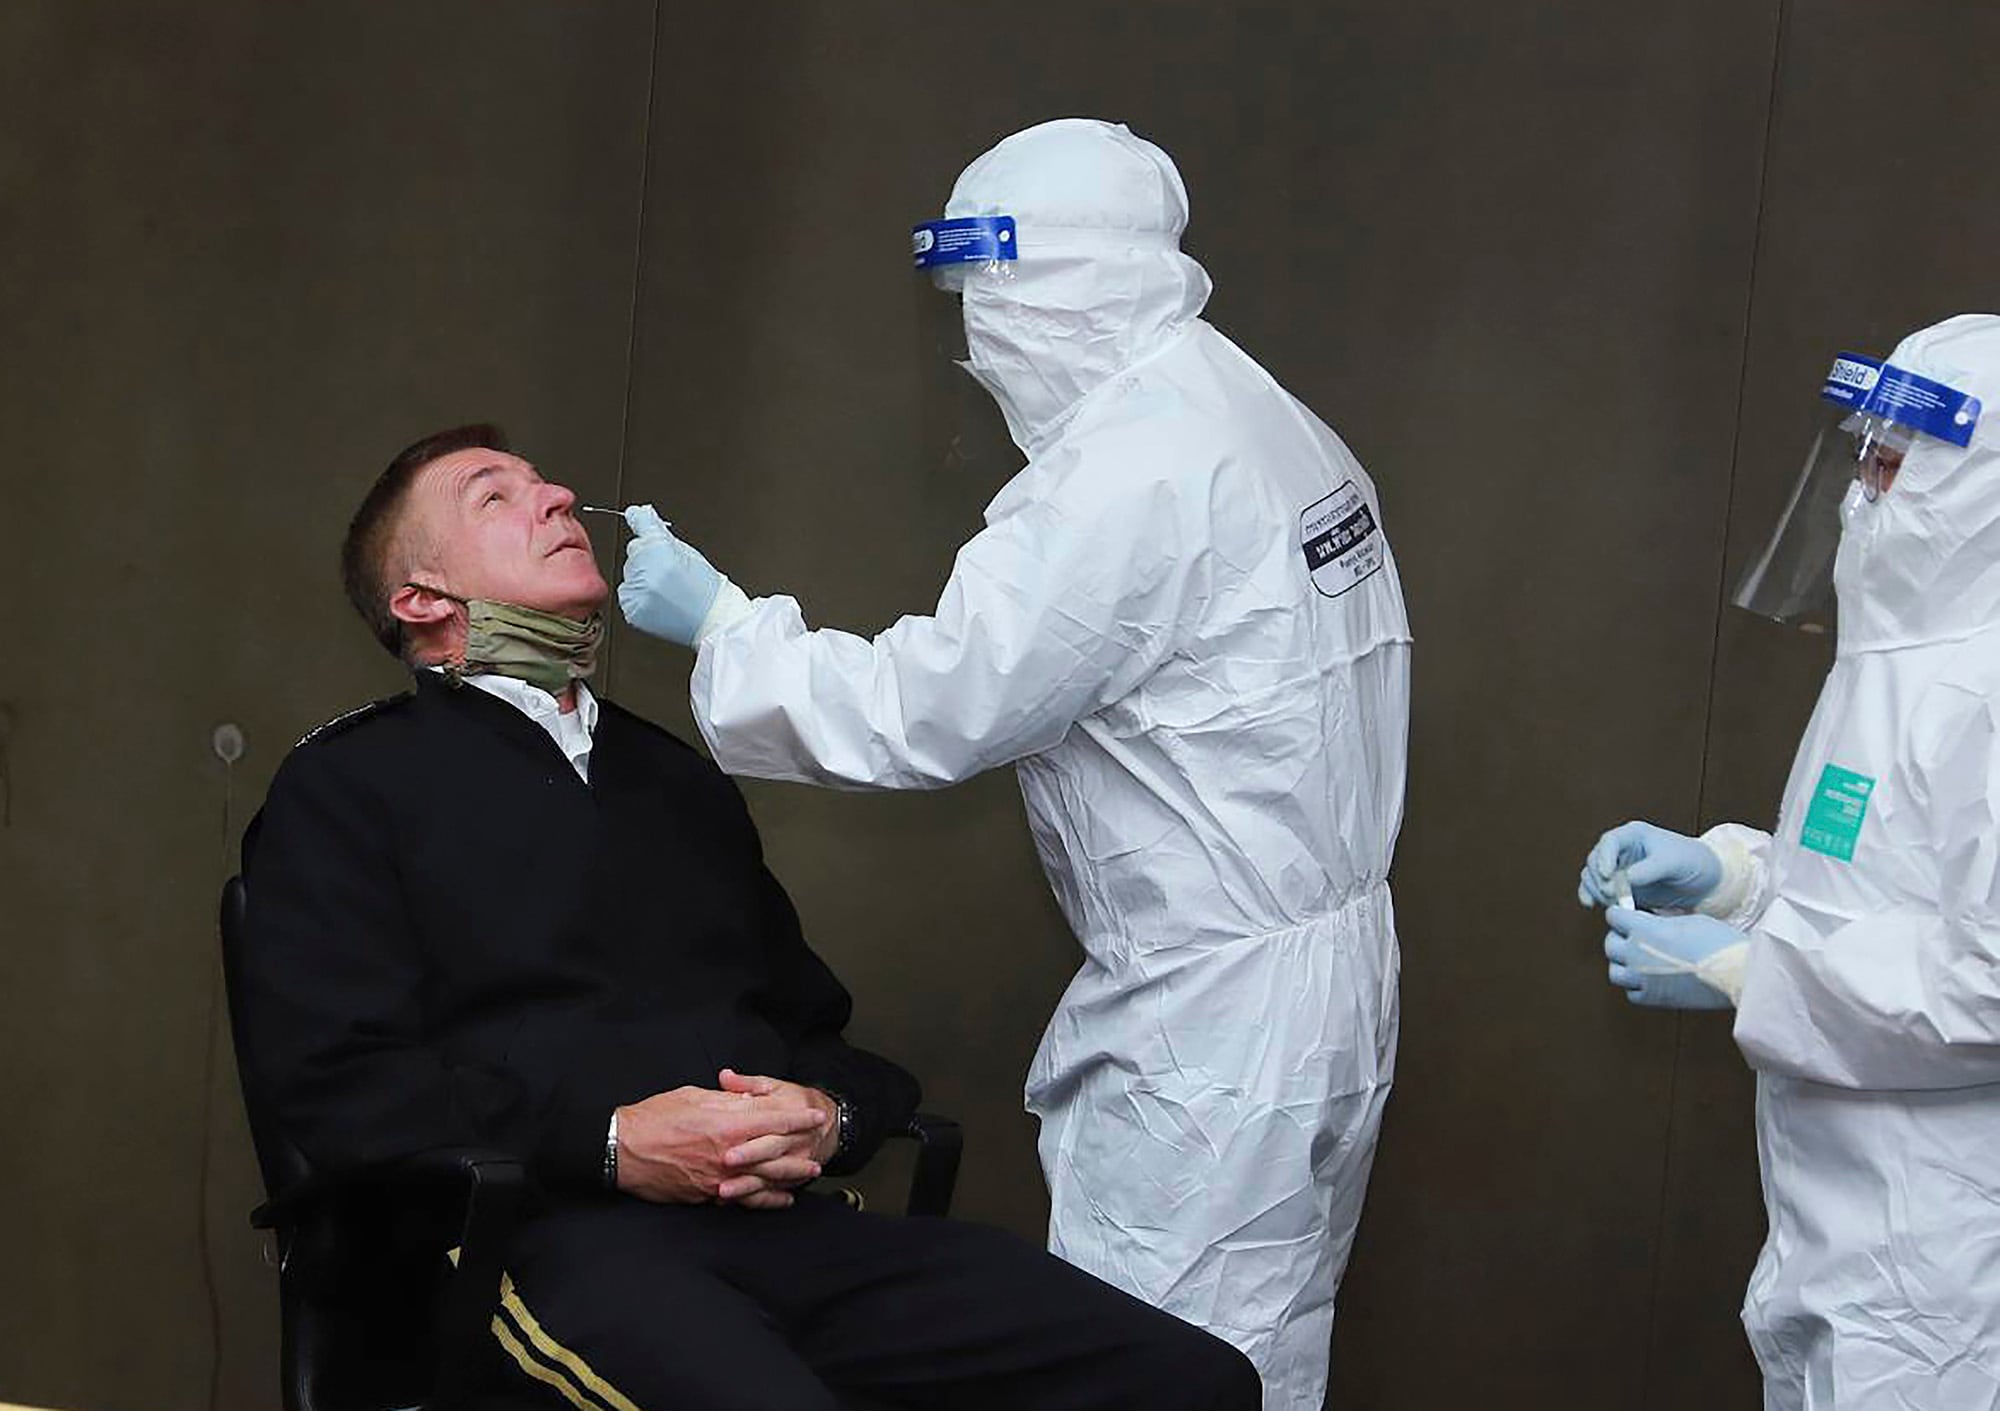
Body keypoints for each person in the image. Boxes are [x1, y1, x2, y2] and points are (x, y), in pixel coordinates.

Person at [614, 118, 1412, 1408]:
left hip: (1210, 1022)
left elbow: (926, 709)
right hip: (1322, 983)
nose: (974, 339)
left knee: (1149, 1363)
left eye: (986, 297)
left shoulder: (1124, 478)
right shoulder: (1250, 412)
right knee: (1262, 1350)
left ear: (1060, 284)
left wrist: (725, 626)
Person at [237, 424, 1261, 1411]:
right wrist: (605, 1141)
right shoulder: (348, 784)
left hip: (779, 1231)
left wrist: (830, 1113)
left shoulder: (673, 778)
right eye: (493, 496)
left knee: (1190, 1382)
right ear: (420, 598)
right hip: (534, 1241)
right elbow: (336, 1083)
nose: (553, 496)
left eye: (545, 481)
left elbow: (817, 1029)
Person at [1578, 314, 2000, 1408]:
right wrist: (1733, 881)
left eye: (1897, 462)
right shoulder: (1896, 655)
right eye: (1860, 452)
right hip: (1842, 1226)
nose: (1862, 489)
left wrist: (1747, 971)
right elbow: (1875, 892)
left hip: (1944, 1255)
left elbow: (1987, 986)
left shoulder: (1984, 688)